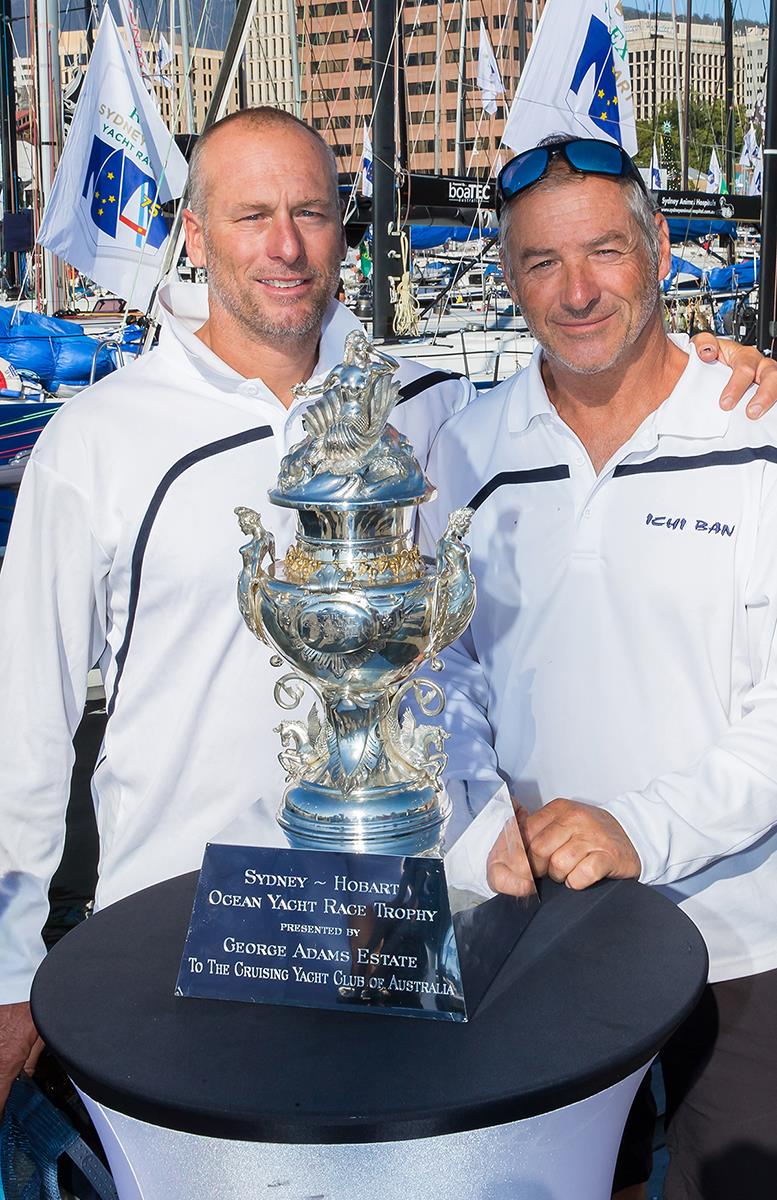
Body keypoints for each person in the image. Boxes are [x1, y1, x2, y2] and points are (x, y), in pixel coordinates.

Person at [0, 107, 772, 1115]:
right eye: (252, 215)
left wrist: (730, 362)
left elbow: (449, 652)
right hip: (180, 929)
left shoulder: (431, 409)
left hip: (404, 936)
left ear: (343, 229)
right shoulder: (97, 440)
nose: (285, 246)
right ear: (194, 235)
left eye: (312, 212)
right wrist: (14, 967)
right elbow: (26, 722)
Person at [419, 135, 777, 1199]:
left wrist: (640, 831)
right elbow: (441, 673)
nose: (577, 291)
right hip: (537, 938)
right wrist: (485, 832)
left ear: (661, 250)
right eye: (541, 263)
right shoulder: (466, 447)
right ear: (509, 275)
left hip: (740, 942)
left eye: (606, 253)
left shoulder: (758, 432)